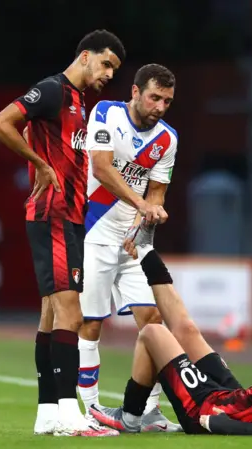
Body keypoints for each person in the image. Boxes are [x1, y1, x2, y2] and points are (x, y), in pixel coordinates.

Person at [0, 29, 126, 437]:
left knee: (51, 313)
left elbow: (44, 137)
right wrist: (40, 165)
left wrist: (44, 157)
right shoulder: (52, 90)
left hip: (69, 215)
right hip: (54, 213)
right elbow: (0, 124)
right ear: (85, 56)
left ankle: (48, 411)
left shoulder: (81, 103)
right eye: (105, 64)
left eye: (114, 70)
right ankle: (70, 415)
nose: (108, 75)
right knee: (72, 312)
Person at [89, 221, 252, 436]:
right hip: (233, 398)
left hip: (206, 411)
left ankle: (130, 417)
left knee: (152, 332)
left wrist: (222, 424)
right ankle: (145, 249)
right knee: (186, 330)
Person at [77, 63, 181, 432]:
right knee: (91, 322)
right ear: (136, 92)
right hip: (95, 234)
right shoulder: (106, 112)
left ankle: (147, 410)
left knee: (153, 323)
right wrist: (142, 207)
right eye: (155, 97)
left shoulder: (168, 139)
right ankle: (89, 411)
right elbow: (102, 168)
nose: (161, 106)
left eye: (167, 100)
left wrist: (144, 223)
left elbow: (155, 194)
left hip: (132, 243)